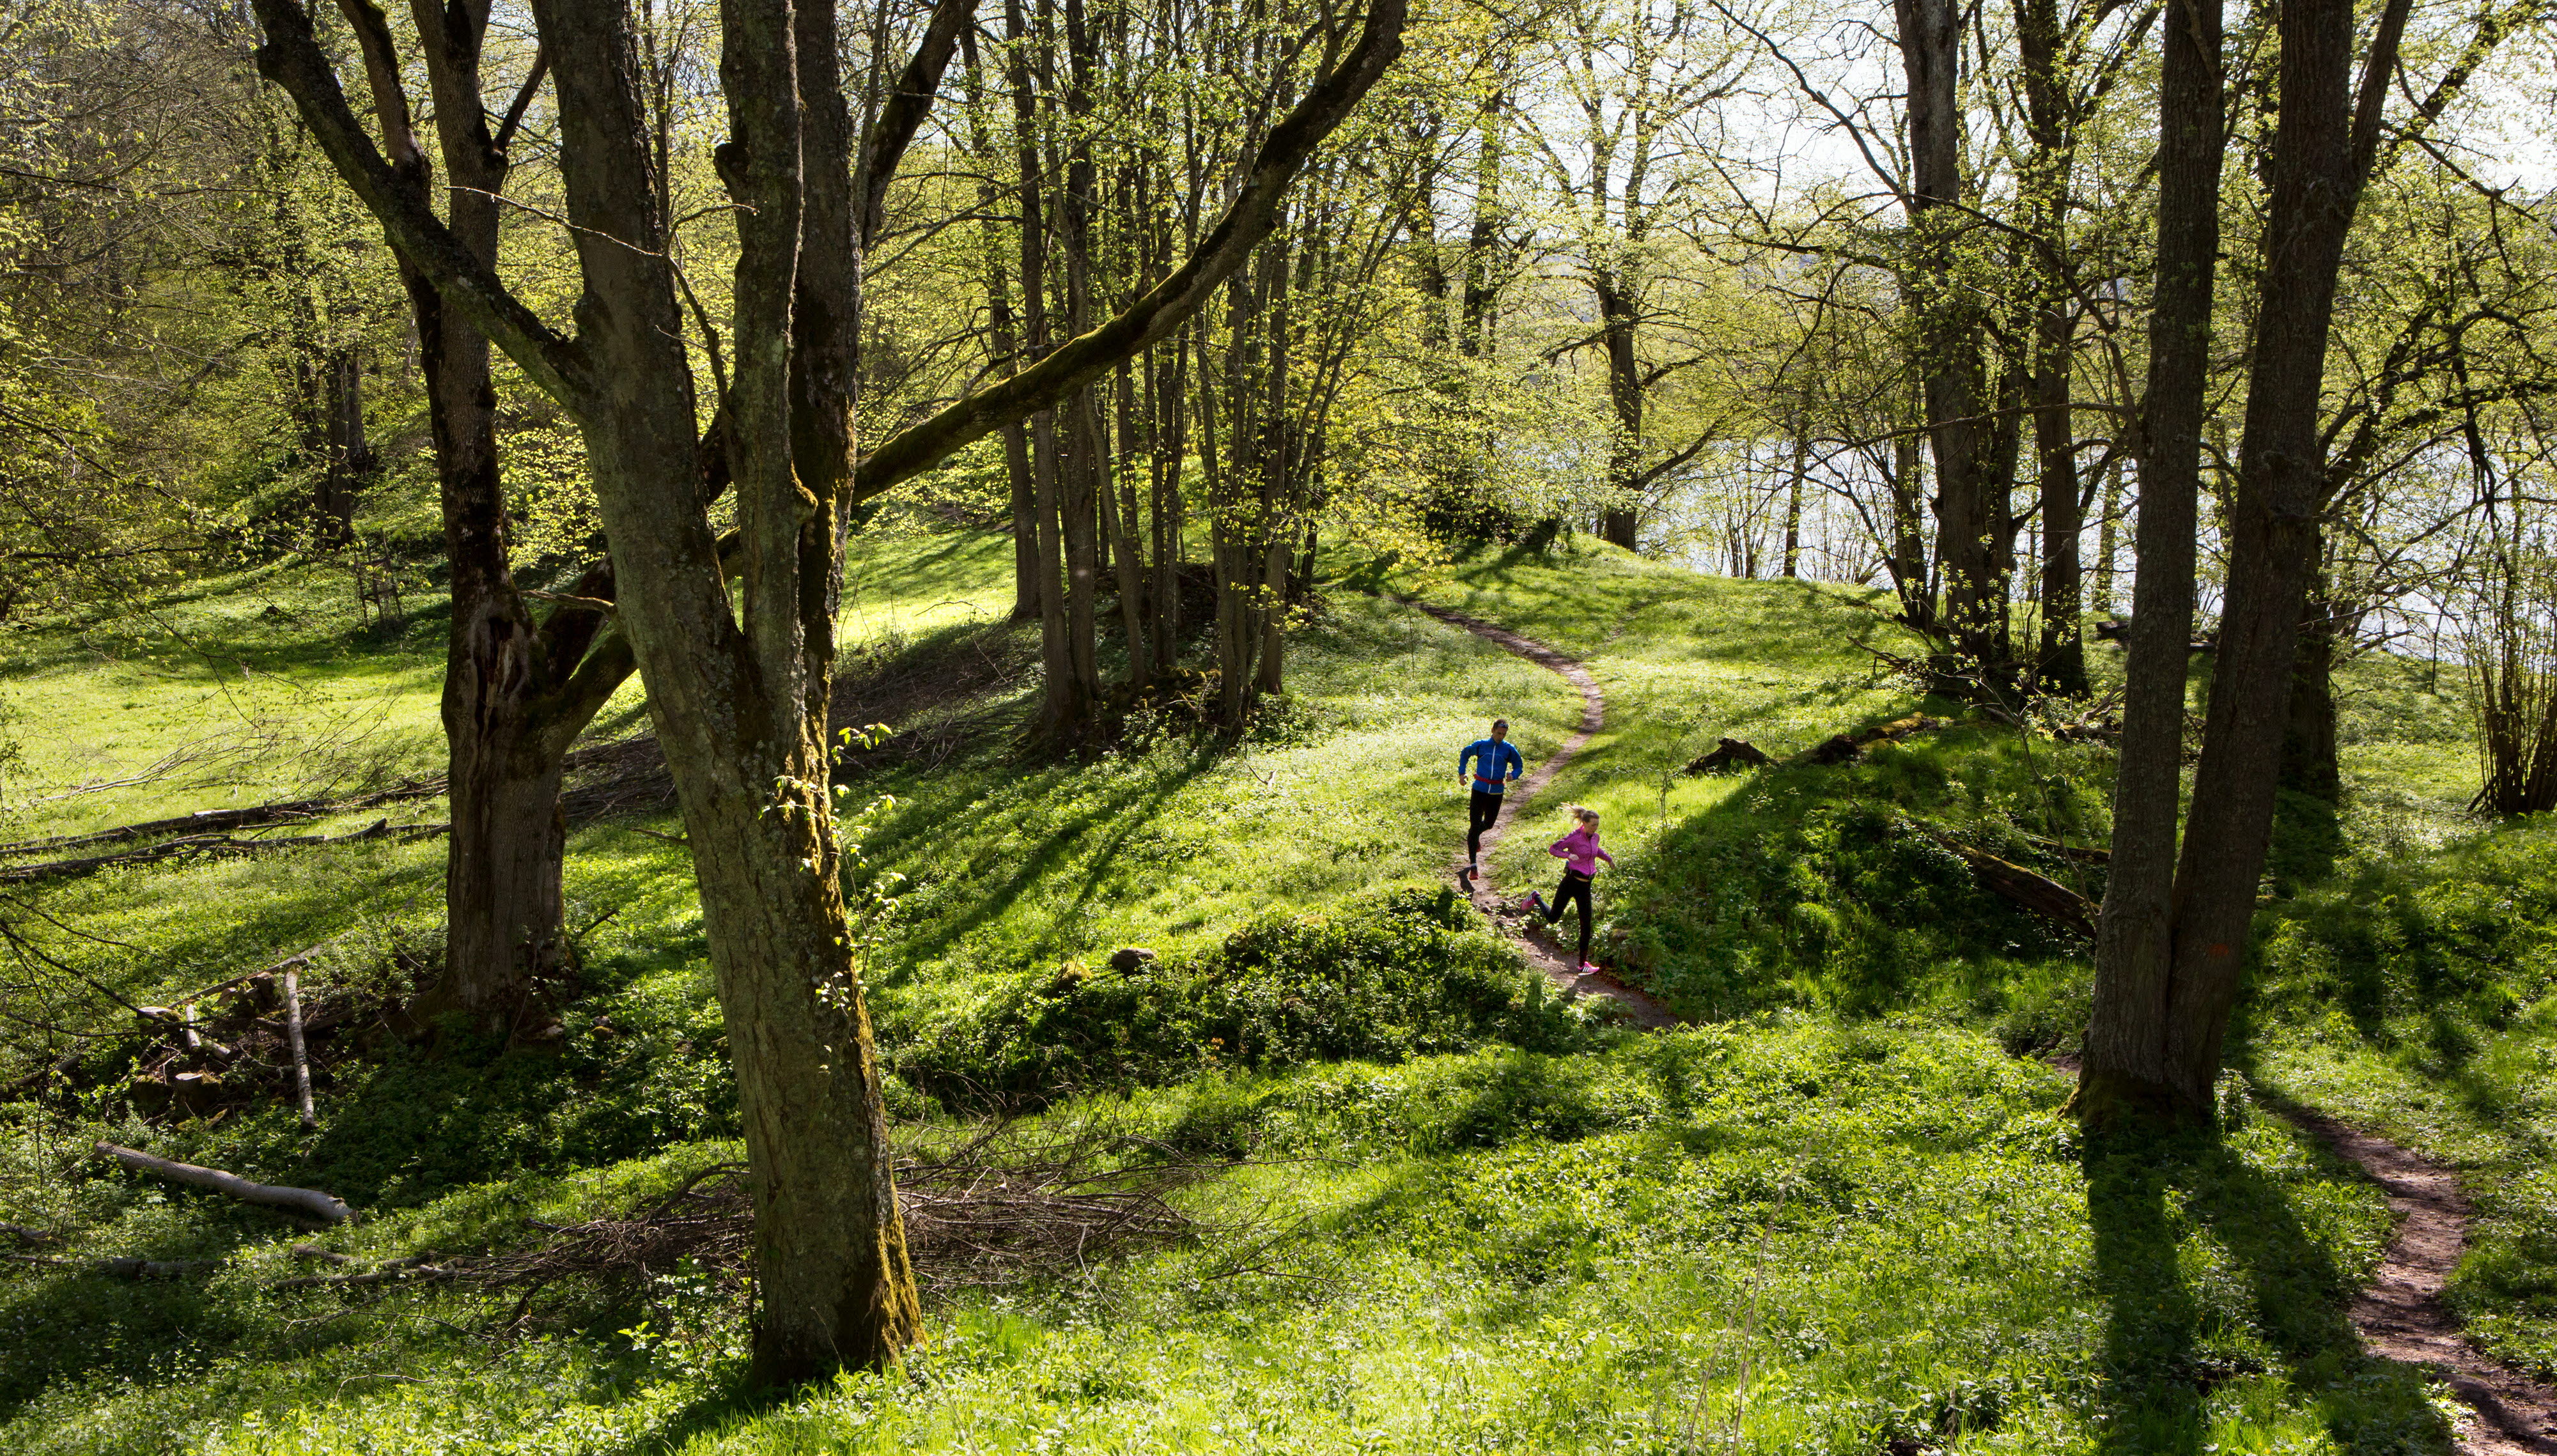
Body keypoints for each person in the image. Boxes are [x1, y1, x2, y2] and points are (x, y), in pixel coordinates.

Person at [1523, 806, 1612, 974]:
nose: (1596, 828)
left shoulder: (1595, 837)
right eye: (1593, 825)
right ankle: (1536, 897)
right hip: (1571, 882)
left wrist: (1608, 859)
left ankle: (1582, 964)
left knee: (1587, 924)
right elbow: (1553, 848)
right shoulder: (1574, 838)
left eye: (1597, 825)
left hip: (1585, 886)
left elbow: (1596, 850)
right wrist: (1568, 856)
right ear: (1584, 824)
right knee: (1553, 918)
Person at [1456, 718, 1523, 880]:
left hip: (1496, 791)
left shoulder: (1508, 749)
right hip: (1479, 789)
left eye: (1504, 734)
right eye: (1499, 733)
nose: (1501, 737)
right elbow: (1465, 753)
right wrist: (1462, 773)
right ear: (1492, 730)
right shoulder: (1481, 745)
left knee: (1489, 824)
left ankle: (1474, 836)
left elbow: (1519, 765)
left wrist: (1513, 775)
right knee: (1475, 825)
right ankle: (1473, 866)